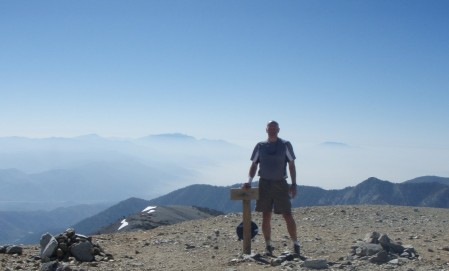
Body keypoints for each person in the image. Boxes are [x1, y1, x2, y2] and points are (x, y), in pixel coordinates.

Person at [242, 120, 300, 256]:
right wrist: (248, 181)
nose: (272, 130)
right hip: (264, 184)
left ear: (278, 130)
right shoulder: (260, 146)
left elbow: (291, 164)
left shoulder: (285, 145)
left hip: (280, 183)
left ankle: (296, 243)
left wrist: (294, 183)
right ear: (266, 130)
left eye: (274, 128)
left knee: (287, 214)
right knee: (266, 215)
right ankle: (268, 245)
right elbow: (254, 165)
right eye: (270, 128)